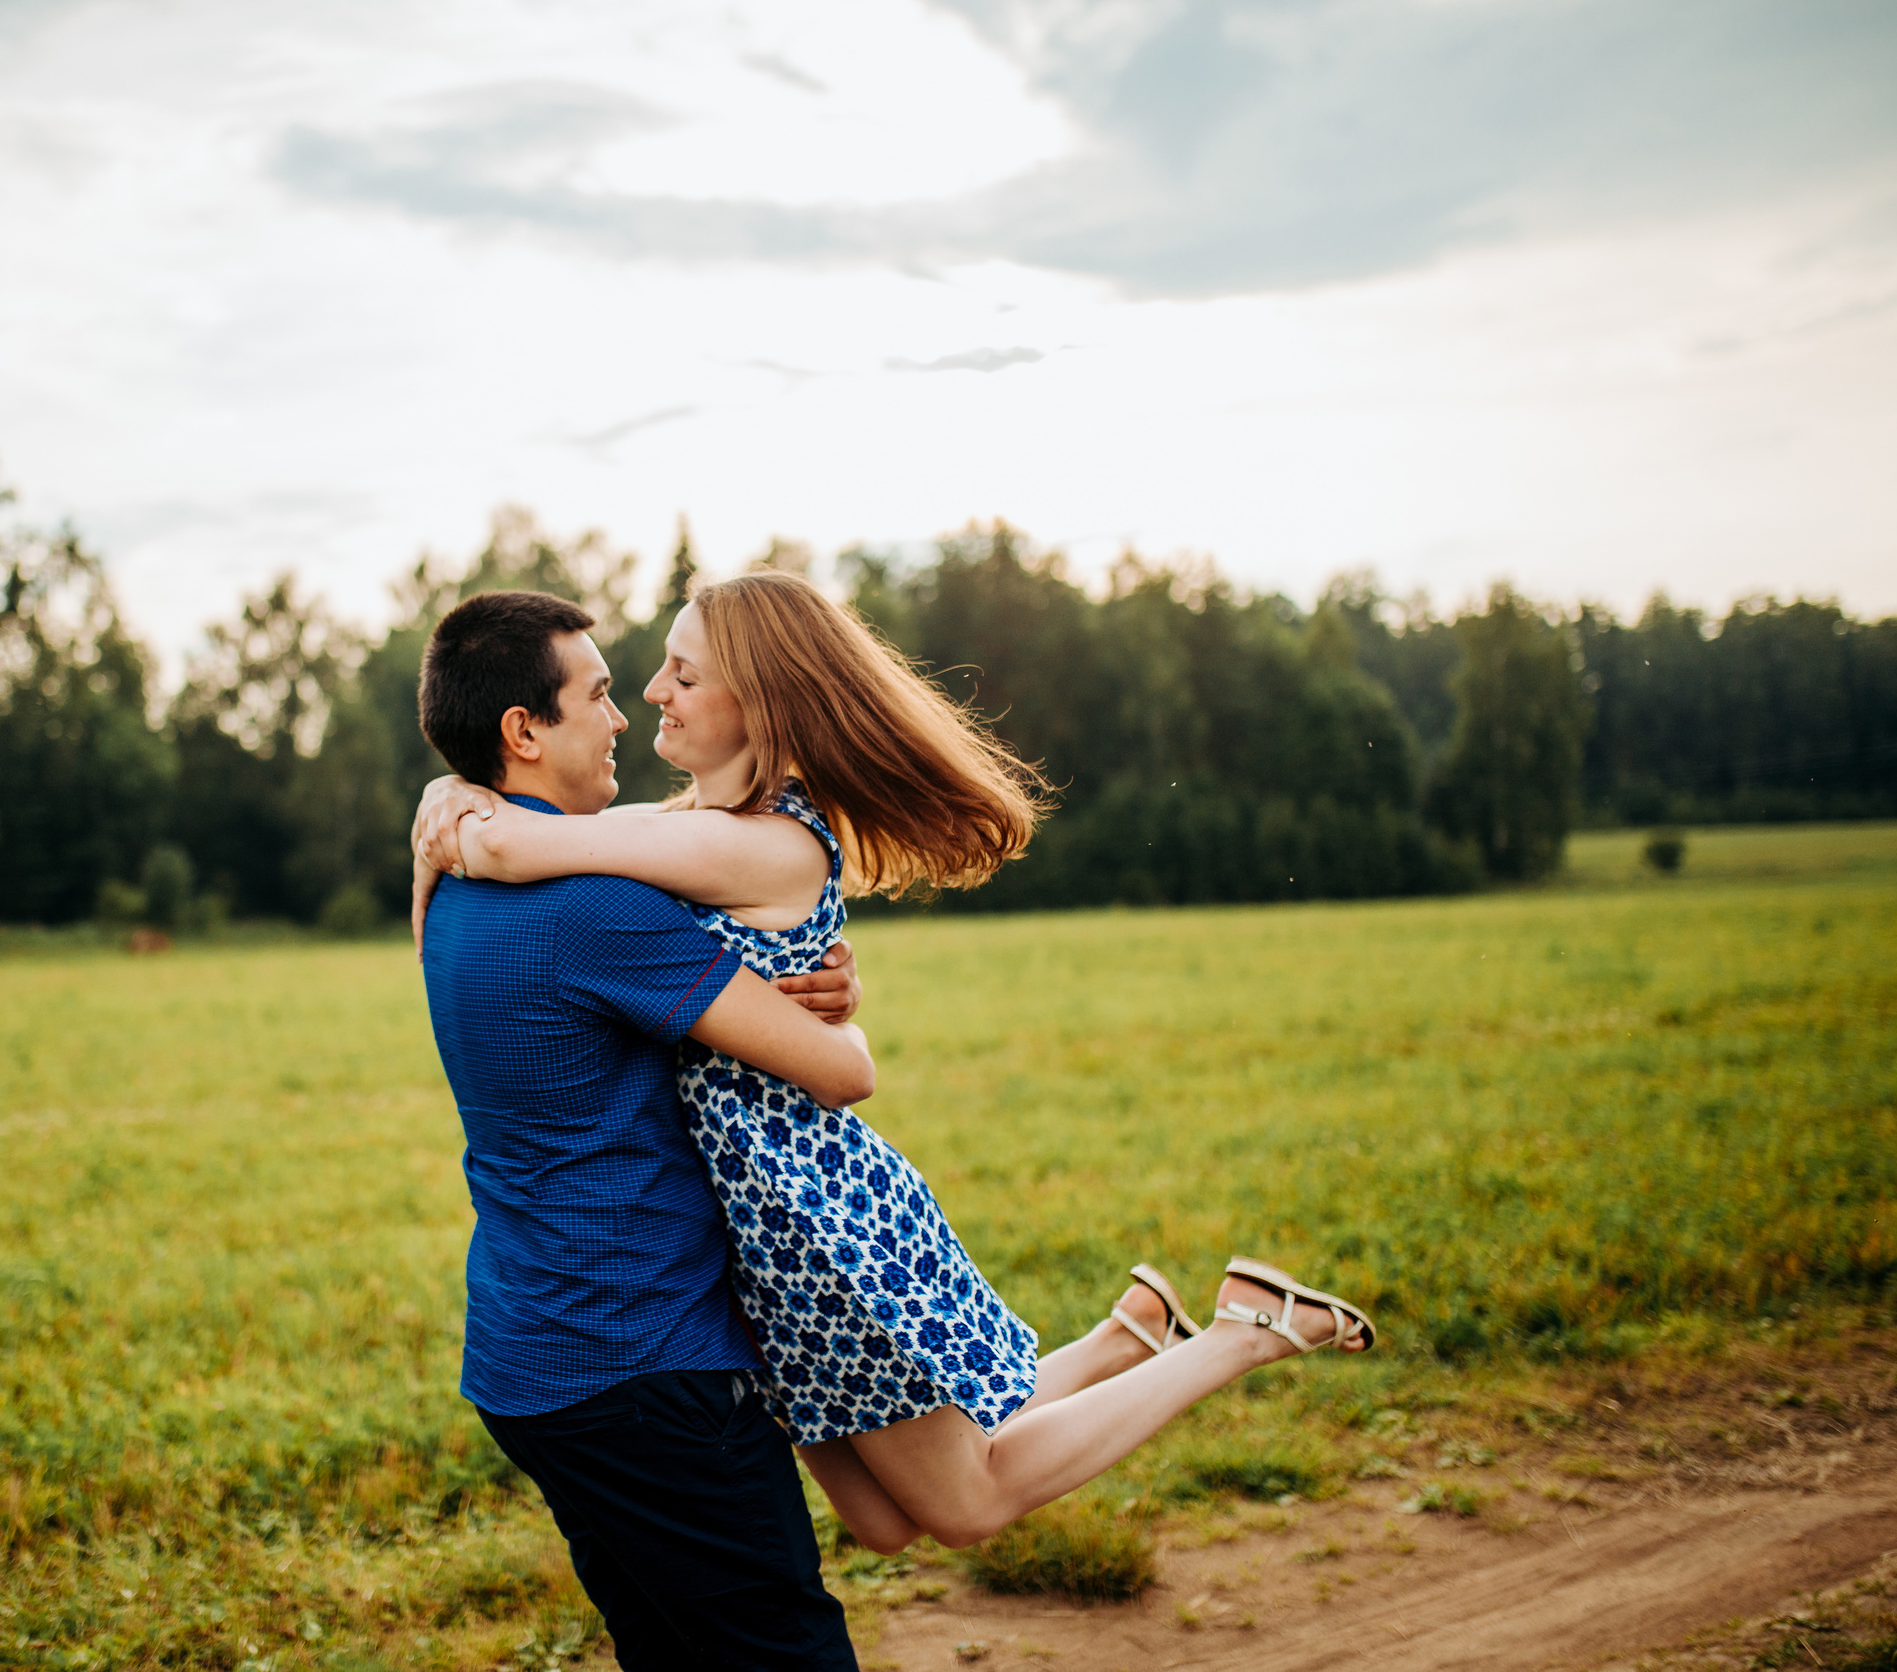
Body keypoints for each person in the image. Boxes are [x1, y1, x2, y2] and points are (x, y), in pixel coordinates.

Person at [412, 568, 1380, 1558]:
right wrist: (460, 794)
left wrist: (450, 804)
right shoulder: (686, 833)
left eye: (682, 675)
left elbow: (523, 851)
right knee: (881, 1521)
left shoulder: (764, 844)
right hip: (749, 1228)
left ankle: (1242, 1332)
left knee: (963, 1503)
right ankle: (1126, 1337)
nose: (655, 693)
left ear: (764, 700)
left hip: (806, 1215)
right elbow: (546, 841)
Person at [412, 588, 874, 1668]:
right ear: (523, 731)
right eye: (600, 694)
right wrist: (838, 1010)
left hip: (530, 1358)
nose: (626, 716)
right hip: (645, 1364)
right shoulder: (599, 909)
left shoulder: (448, 881)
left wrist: (444, 794)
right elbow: (833, 1074)